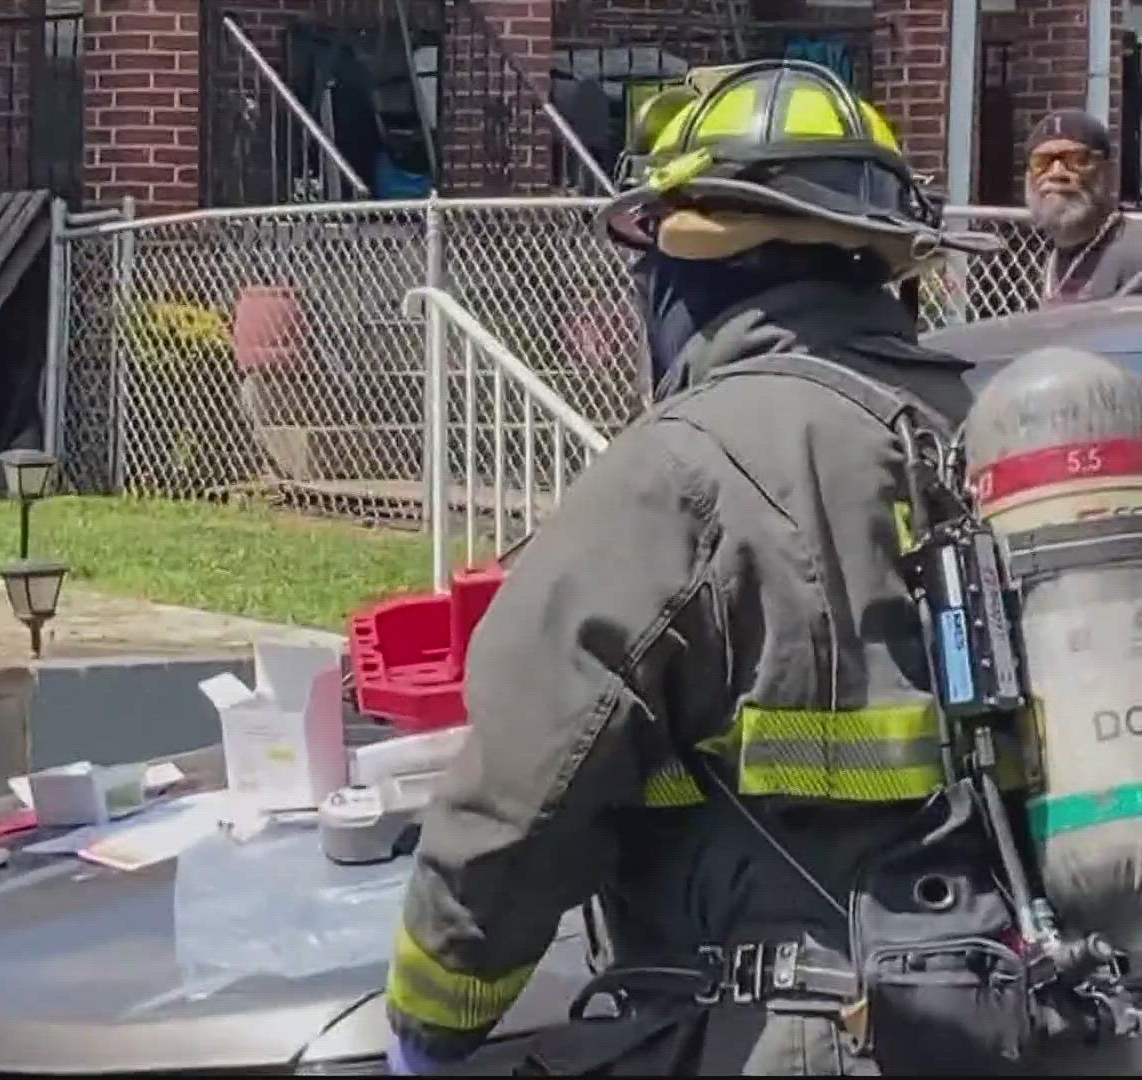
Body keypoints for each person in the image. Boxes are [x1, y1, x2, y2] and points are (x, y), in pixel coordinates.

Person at [380, 60, 1141, 1076]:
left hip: (797, 1039)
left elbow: (517, 803)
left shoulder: (684, 466)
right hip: (1040, 1025)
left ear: (697, 257)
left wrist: (427, 1031)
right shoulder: (992, 430)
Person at [1024, 108, 1142, 305]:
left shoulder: (1136, 252)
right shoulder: (1052, 259)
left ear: (1109, 172)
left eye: (1076, 160)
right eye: (1041, 162)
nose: (1056, 173)